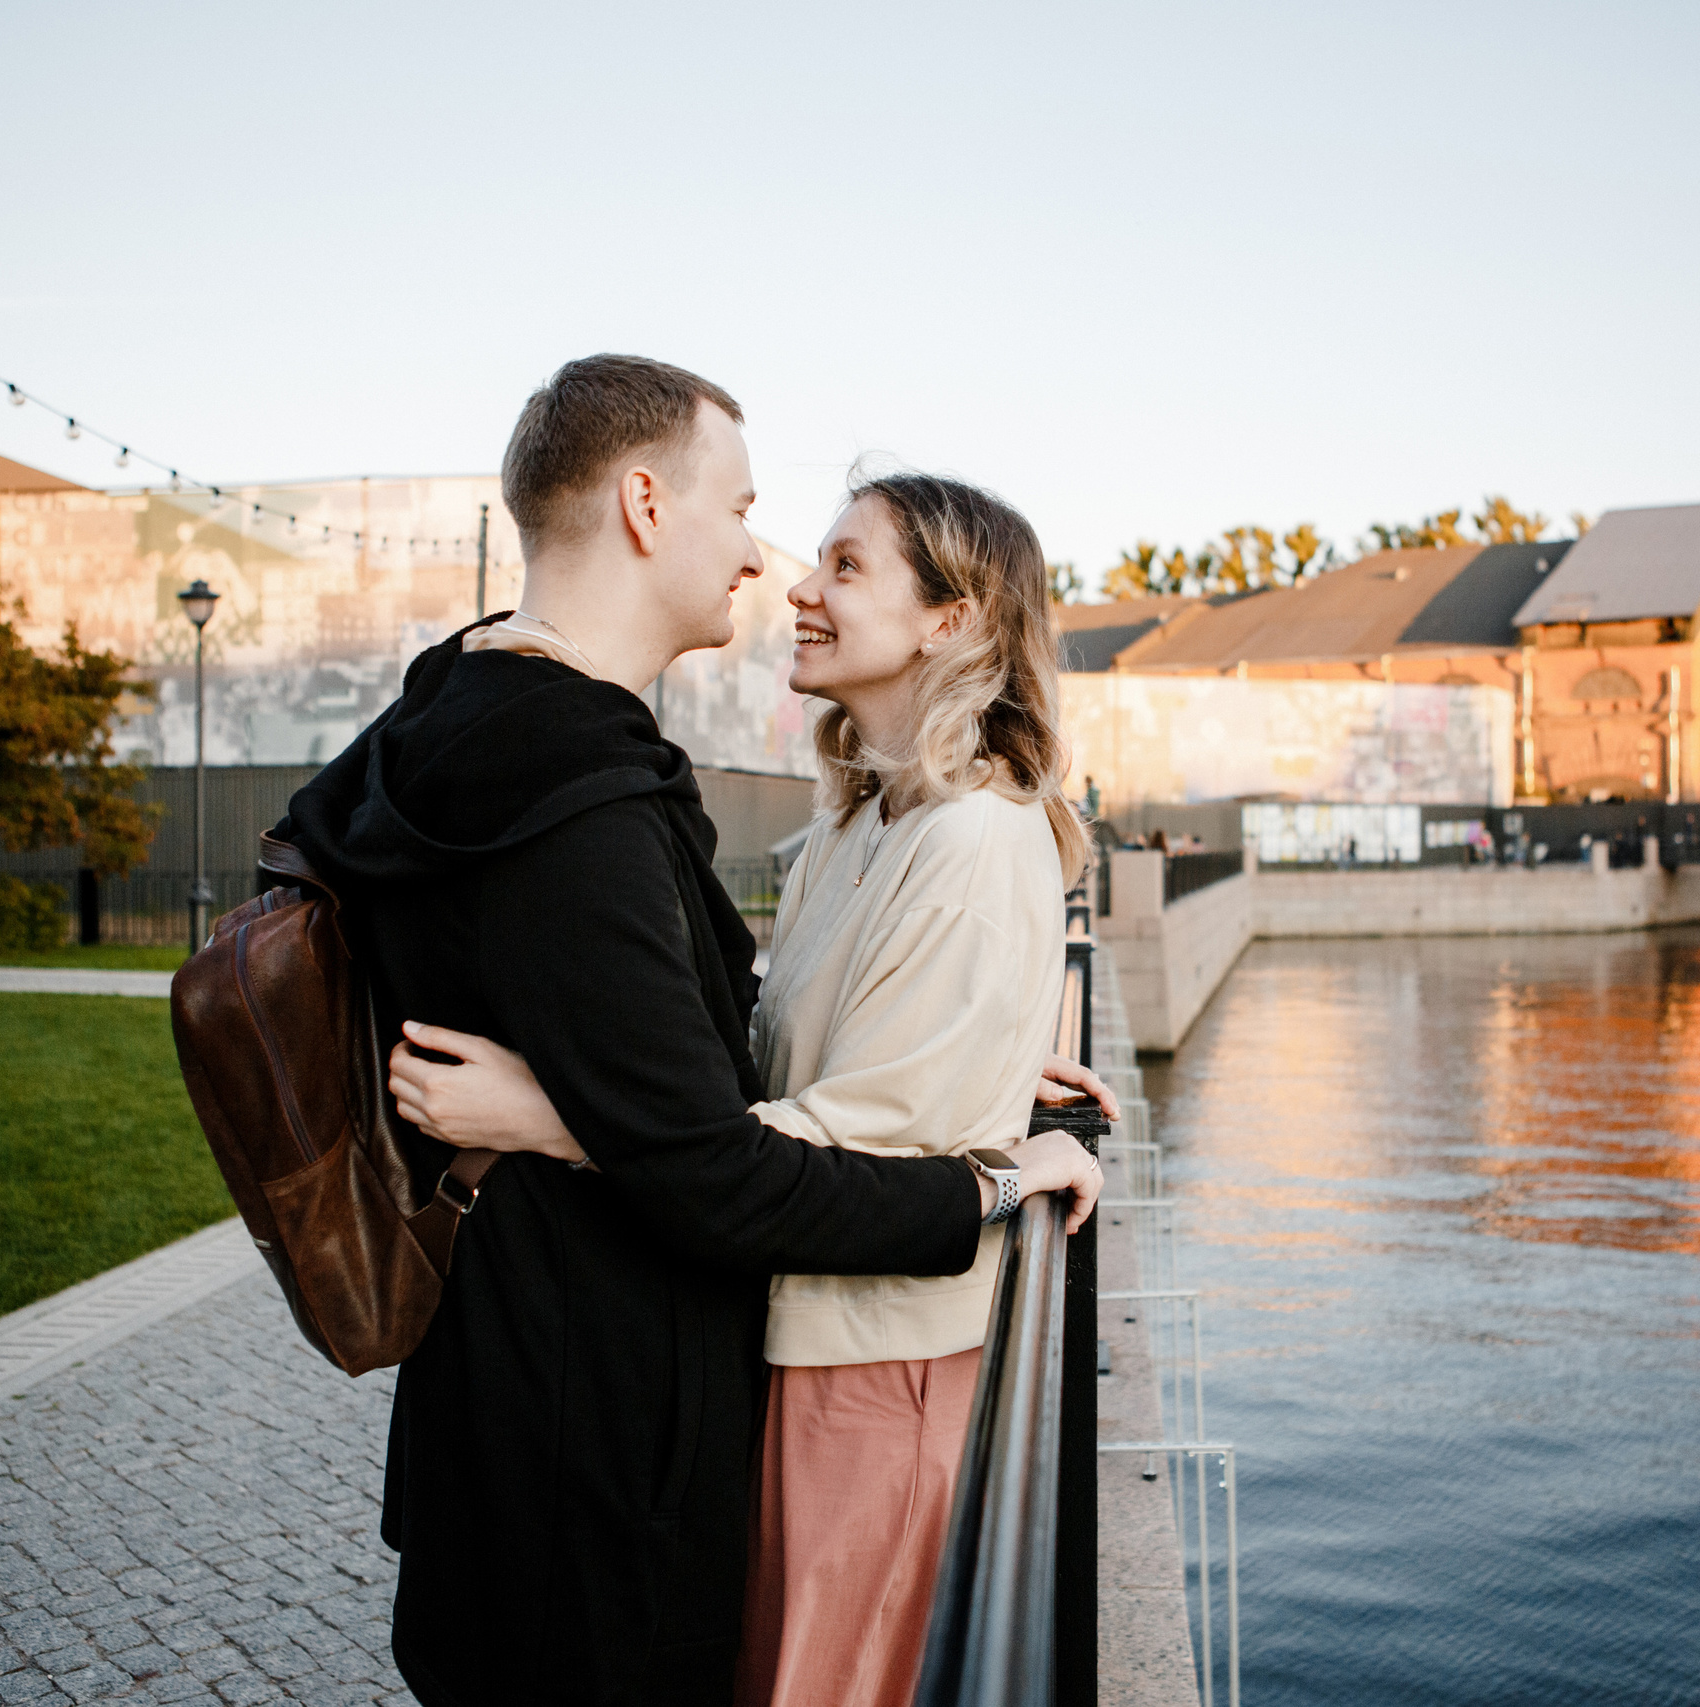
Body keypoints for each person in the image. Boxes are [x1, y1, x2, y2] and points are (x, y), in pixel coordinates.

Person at [278, 356, 1100, 1707]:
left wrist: (975, 1057)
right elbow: (700, 1161)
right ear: (647, 507)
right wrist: (997, 1180)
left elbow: (685, 1076)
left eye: (834, 556)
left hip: (516, 1400)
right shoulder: (580, 794)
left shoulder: (449, 715)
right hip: (595, 1445)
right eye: (744, 509)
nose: (767, 561)